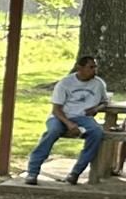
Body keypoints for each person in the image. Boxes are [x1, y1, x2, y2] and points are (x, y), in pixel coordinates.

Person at [24, 53, 108, 184]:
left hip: (83, 117)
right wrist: (69, 124)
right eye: (90, 67)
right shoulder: (65, 83)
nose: (94, 70)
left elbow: (105, 101)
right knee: (52, 132)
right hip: (61, 116)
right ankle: (32, 172)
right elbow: (56, 109)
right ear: (79, 68)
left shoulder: (99, 84)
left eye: (95, 67)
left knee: (97, 132)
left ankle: (75, 173)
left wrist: (96, 109)